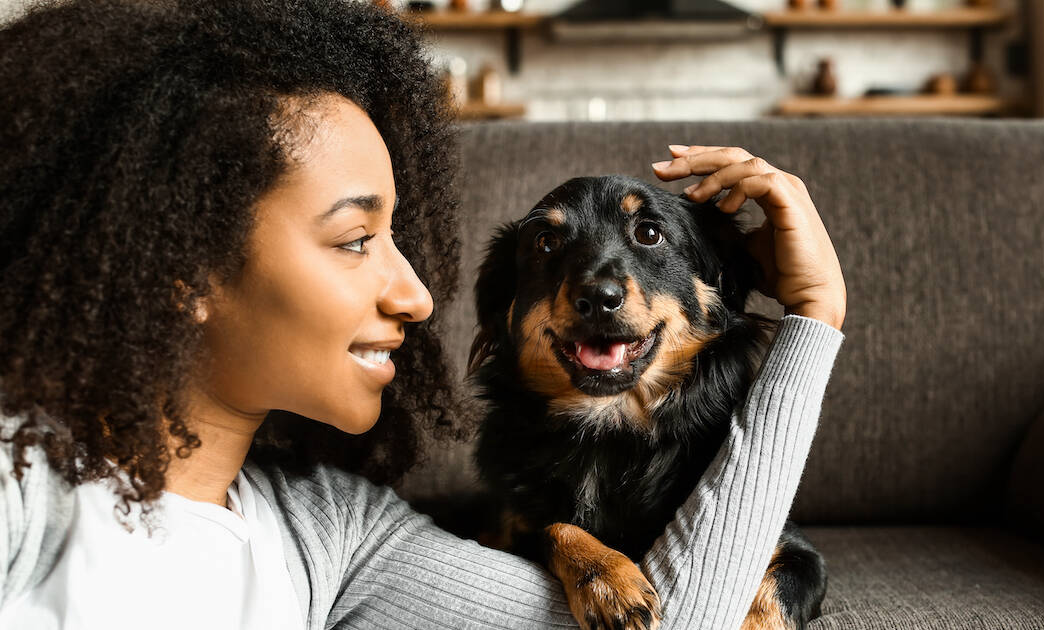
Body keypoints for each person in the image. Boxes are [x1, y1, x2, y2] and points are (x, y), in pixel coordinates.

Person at [0, 1, 846, 629]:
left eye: (398, 236)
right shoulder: (22, 489)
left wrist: (813, 319)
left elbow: (678, 622)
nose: (418, 297)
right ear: (181, 260)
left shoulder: (338, 535)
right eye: (356, 238)